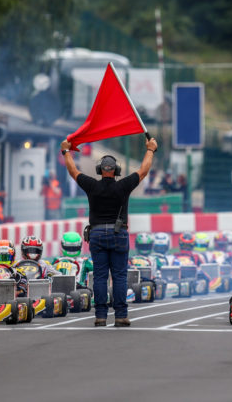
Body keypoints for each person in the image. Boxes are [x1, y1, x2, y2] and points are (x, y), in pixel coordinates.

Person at [60, 135, 158, 327]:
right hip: (118, 234)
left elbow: (73, 171)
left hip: (96, 234)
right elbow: (144, 170)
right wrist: (150, 149)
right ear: (117, 171)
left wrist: (65, 151)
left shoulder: (92, 186)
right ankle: (121, 315)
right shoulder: (123, 185)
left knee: (100, 276)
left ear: (99, 170)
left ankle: (101, 316)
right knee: (120, 275)